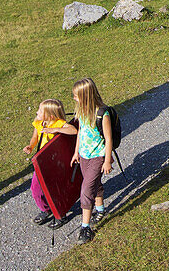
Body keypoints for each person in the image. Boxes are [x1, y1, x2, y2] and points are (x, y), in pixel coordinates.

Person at [70, 78, 113, 244]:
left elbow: (108, 139)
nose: (74, 98)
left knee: (86, 191)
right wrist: (76, 152)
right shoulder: (81, 111)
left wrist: (107, 160)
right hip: (84, 156)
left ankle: (85, 227)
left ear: (85, 96)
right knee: (94, 184)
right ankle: (100, 210)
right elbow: (80, 132)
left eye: (76, 96)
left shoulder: (102, 114)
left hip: (97, 157)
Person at [22, 99, 76, 227]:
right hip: (41, 164)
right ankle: (46, 209)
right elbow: (35, 137)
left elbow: (73, 130)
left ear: (50, 116)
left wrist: (55, 129)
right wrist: (30, 145)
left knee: (54, 189)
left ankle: (60, 215)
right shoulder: (39, 123)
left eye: (40, 111)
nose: (37, 112)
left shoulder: (58, 123)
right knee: (35, 189)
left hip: (54, 163)